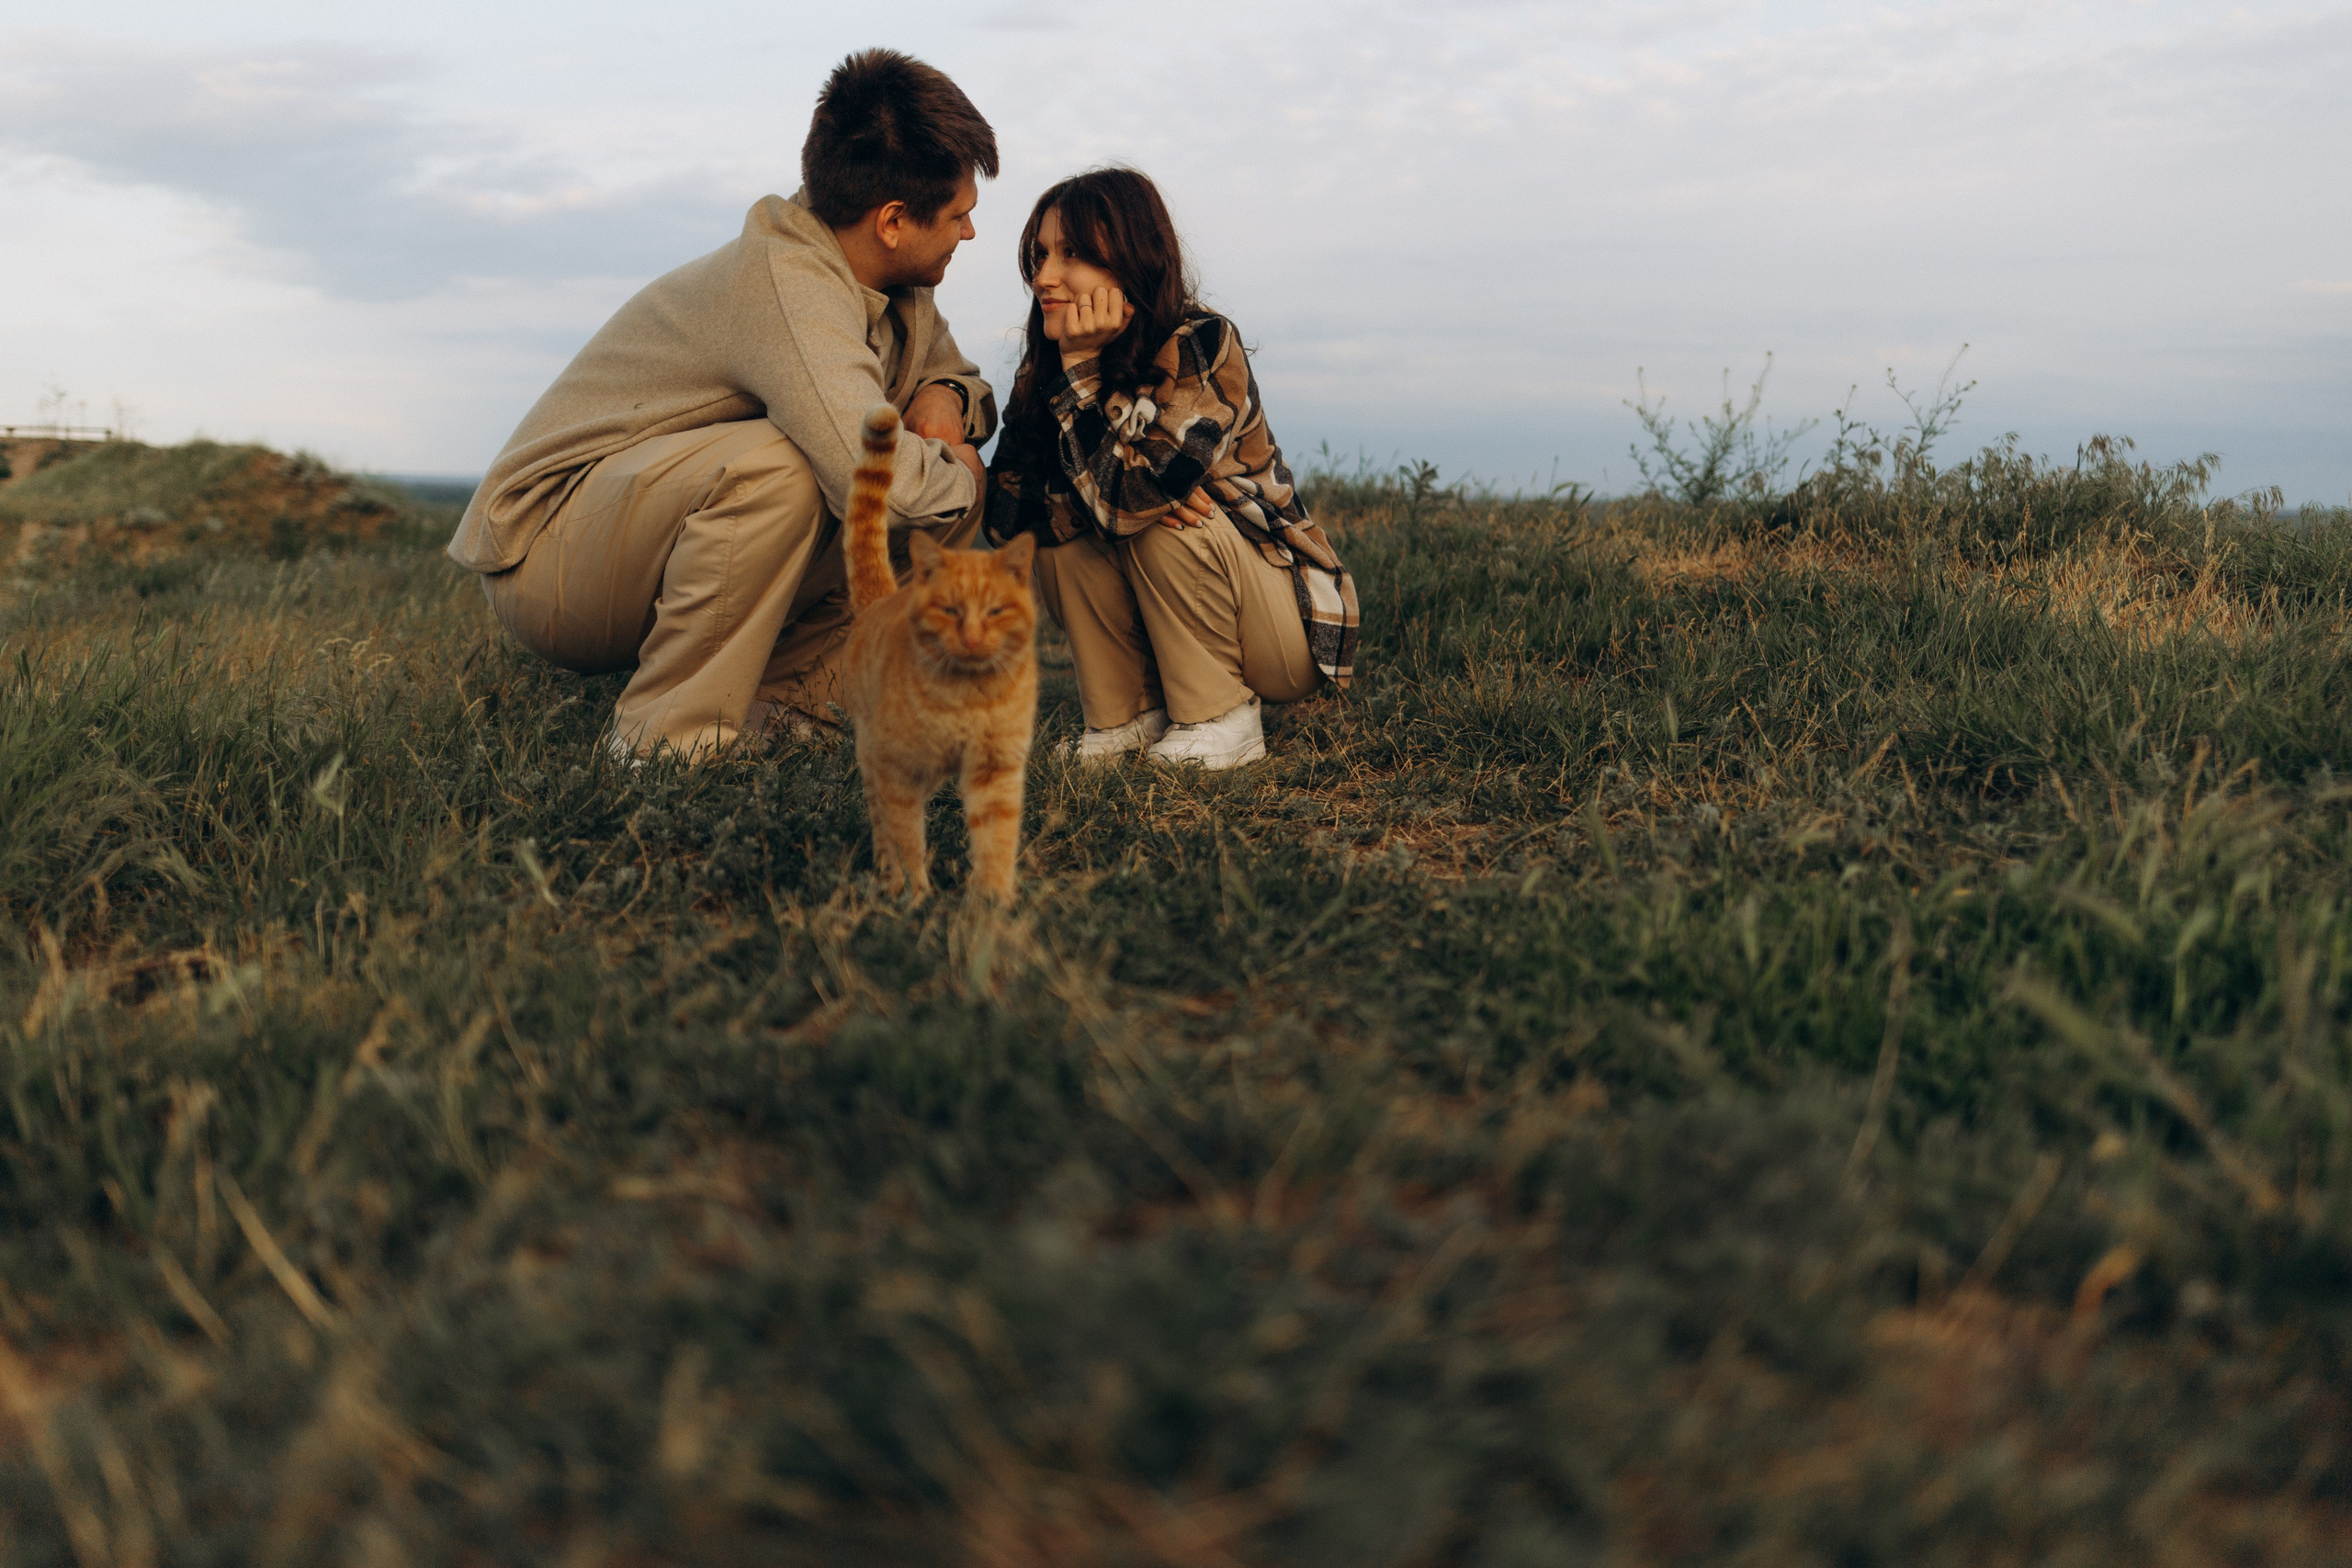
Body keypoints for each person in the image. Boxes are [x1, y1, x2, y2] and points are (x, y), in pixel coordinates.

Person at [446, 50, 1000, 761]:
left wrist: (945, 395)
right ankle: (664, 745)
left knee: (924, 476)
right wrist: (965, 472)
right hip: (547, 561)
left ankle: (794, 709)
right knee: (796, 470)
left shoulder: (898, 288)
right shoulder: (788, 284)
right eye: (959, 215)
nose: (969, 233)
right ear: (892, 220)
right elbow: (884, 490)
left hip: (640, 531)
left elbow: (967, 382)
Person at [985, 167, 1357, 770]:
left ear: (1128, 260)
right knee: (1056, 535)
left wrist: (1082, 379)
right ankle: (1126, 720)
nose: (1044, 277)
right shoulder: (1047, 371)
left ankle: (1221, 716)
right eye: (1041, 253)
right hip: (1165, 605)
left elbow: (1133, 503)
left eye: (1072, 253)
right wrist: (1074, 386)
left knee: (1160, 515)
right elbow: (1005, 521)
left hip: (1280, 626)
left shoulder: (1201, 344)